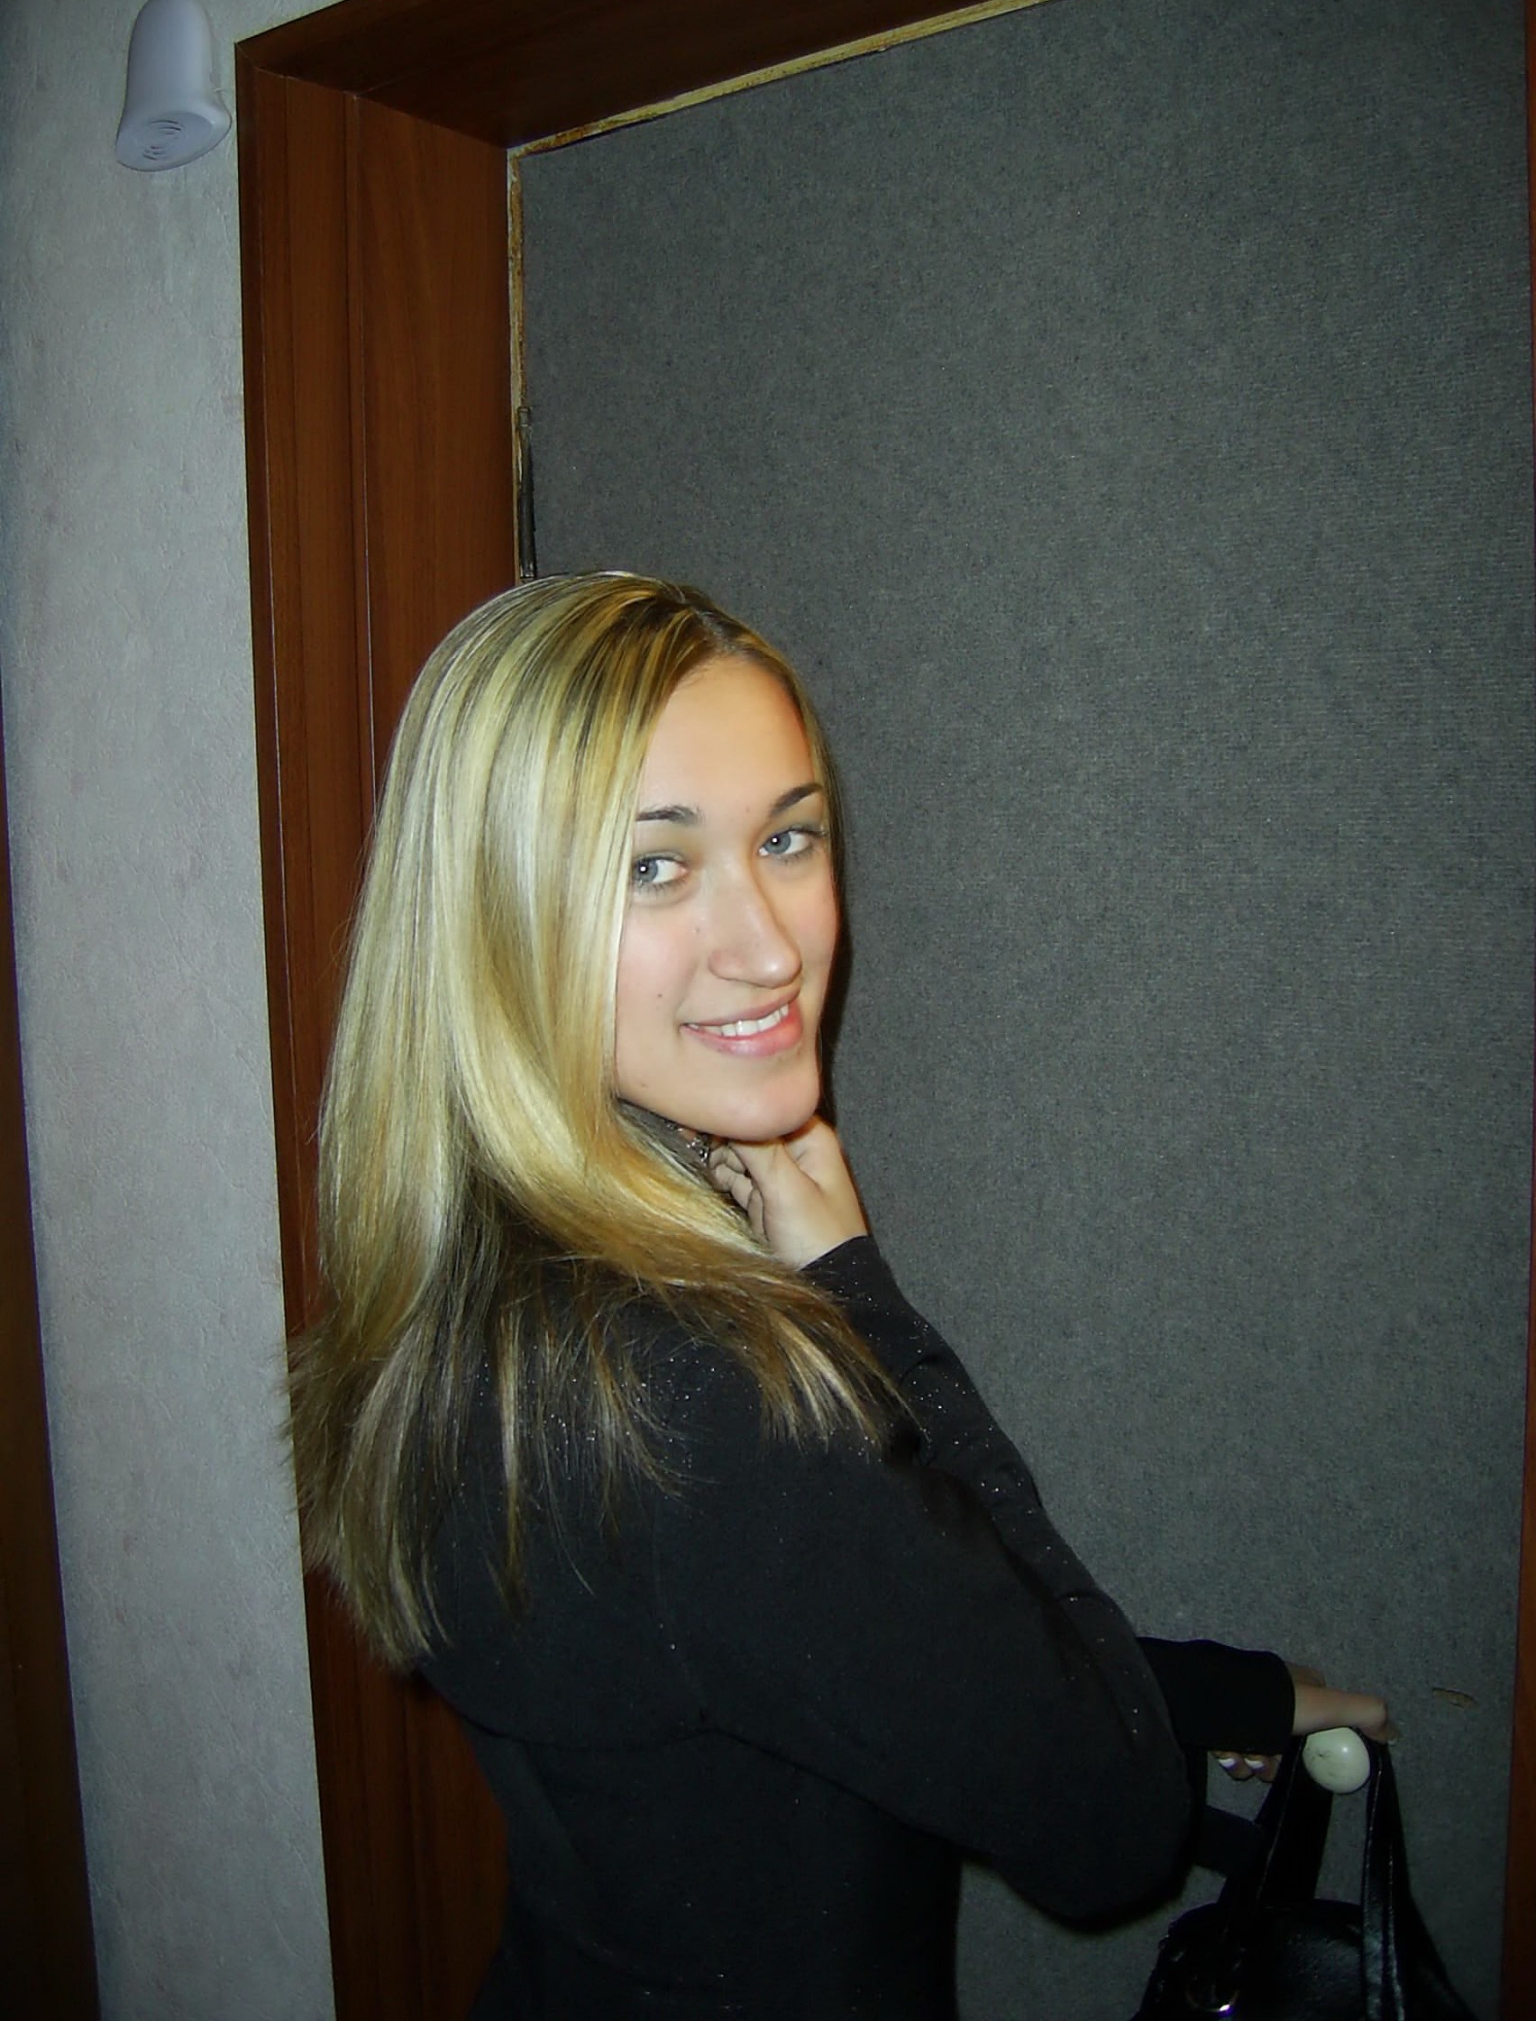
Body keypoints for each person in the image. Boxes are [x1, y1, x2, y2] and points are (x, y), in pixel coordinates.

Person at [292, 572, 1389, 2018]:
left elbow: (833, 1640)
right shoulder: (691, 1393)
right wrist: (858, 1299)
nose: (771, 945)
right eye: (654, 867)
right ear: (493, 918)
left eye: (787, 838)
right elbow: (1109, 1817)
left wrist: (1224, 1695)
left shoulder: (488, 1288)